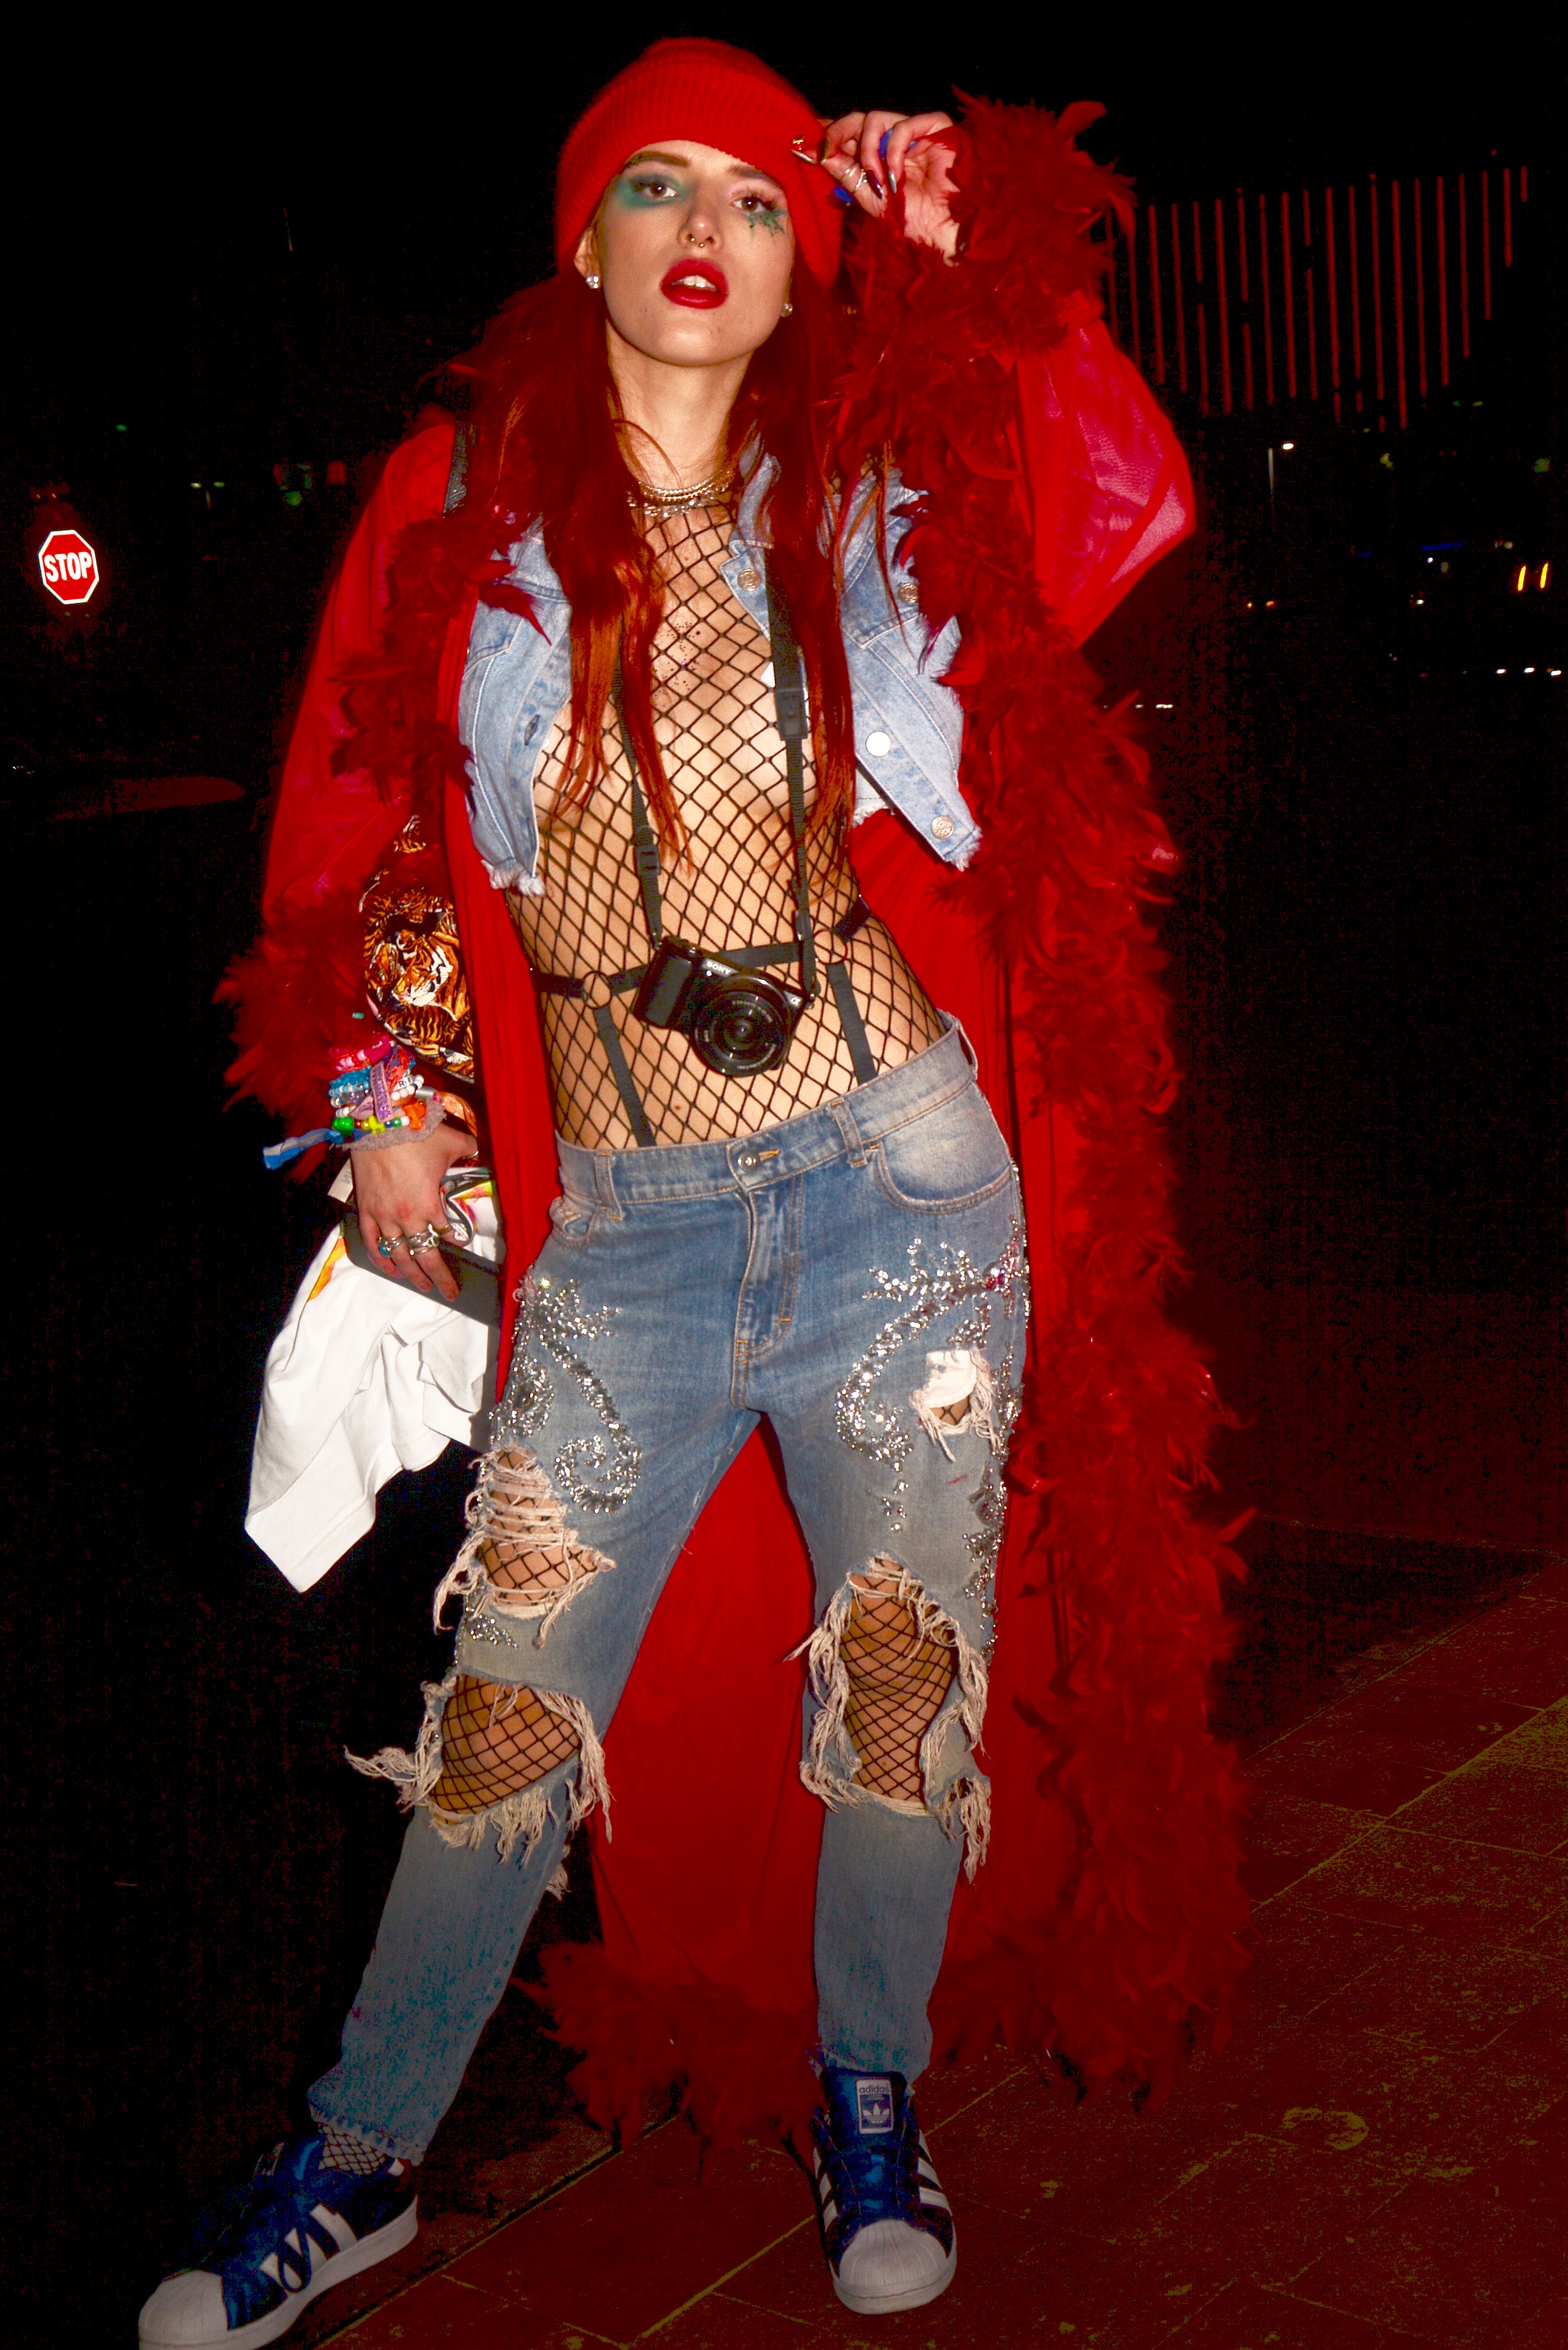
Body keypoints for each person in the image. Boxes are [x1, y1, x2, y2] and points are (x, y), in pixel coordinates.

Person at [141, 38, 1248, 2346]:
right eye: (654, 186)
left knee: (900, 1680)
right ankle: (360, 2154)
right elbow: (342, 811)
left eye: (754, 196)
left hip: (897, 1185)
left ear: (799, 259)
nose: (704, 229)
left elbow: (1122, 500)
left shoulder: (881, 475)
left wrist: (980, 266)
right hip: (627, 1230)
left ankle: (873, 2093)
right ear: (585, 238)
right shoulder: (455, 494)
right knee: (507, 1709)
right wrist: (373, 1091)